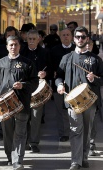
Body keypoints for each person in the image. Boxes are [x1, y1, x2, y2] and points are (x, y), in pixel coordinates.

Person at [55, 26, 103, 170]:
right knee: (75, 130)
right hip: (73, 100)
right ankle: (75, 161)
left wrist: (94, 79)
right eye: (77, 37)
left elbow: (102, 79)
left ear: (87, 39)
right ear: (74, 38)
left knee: (87, 131)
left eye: (83, 37)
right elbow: (58, 76)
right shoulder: (67, 58)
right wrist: (59, 85)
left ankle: (84, 157)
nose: (80, 39)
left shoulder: (95, 59)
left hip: (90, 101)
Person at [0, 35, 38, 170]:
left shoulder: (27, 63)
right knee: (7, 132)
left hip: (21, 102)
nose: (13, 47)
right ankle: (10, 156)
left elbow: (35, 82)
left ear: (19, 46)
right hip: (4, 104)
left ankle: (18, 160)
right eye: (10, 45)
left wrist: (23, 85)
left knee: (20, 132)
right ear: (6, 47)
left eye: (15, 44)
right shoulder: (0, 63)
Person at [20, 29, 51, 152]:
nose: (32, 41)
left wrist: (45, 73)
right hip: (24, 89)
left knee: (36, 117)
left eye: (34, 39)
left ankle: (34, 142)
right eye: (30, 39)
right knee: (23, 116)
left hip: (39, 89)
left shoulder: (45, 52)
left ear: (39, 39)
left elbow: (51, 68)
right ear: (26, 40)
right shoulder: (21, 52)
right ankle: (24, 140)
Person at [0, 26, 20, 140]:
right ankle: (1, 131)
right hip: (3, 88)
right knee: (3, 113)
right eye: (8, 36)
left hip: (17, 92)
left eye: (12, 35)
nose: (13, 46)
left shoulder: (21, 57)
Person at [51, 28, 75, 142]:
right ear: (60, 37)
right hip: (58, 84)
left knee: (74, 109)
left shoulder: (76, 50)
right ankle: (63, 133)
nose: (65, 37)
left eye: (67, 35)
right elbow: (50, 66)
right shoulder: (54, 50)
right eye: (63, 35)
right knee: (60, 110)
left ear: (71, 37)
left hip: (74, 85)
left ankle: (74, 131)